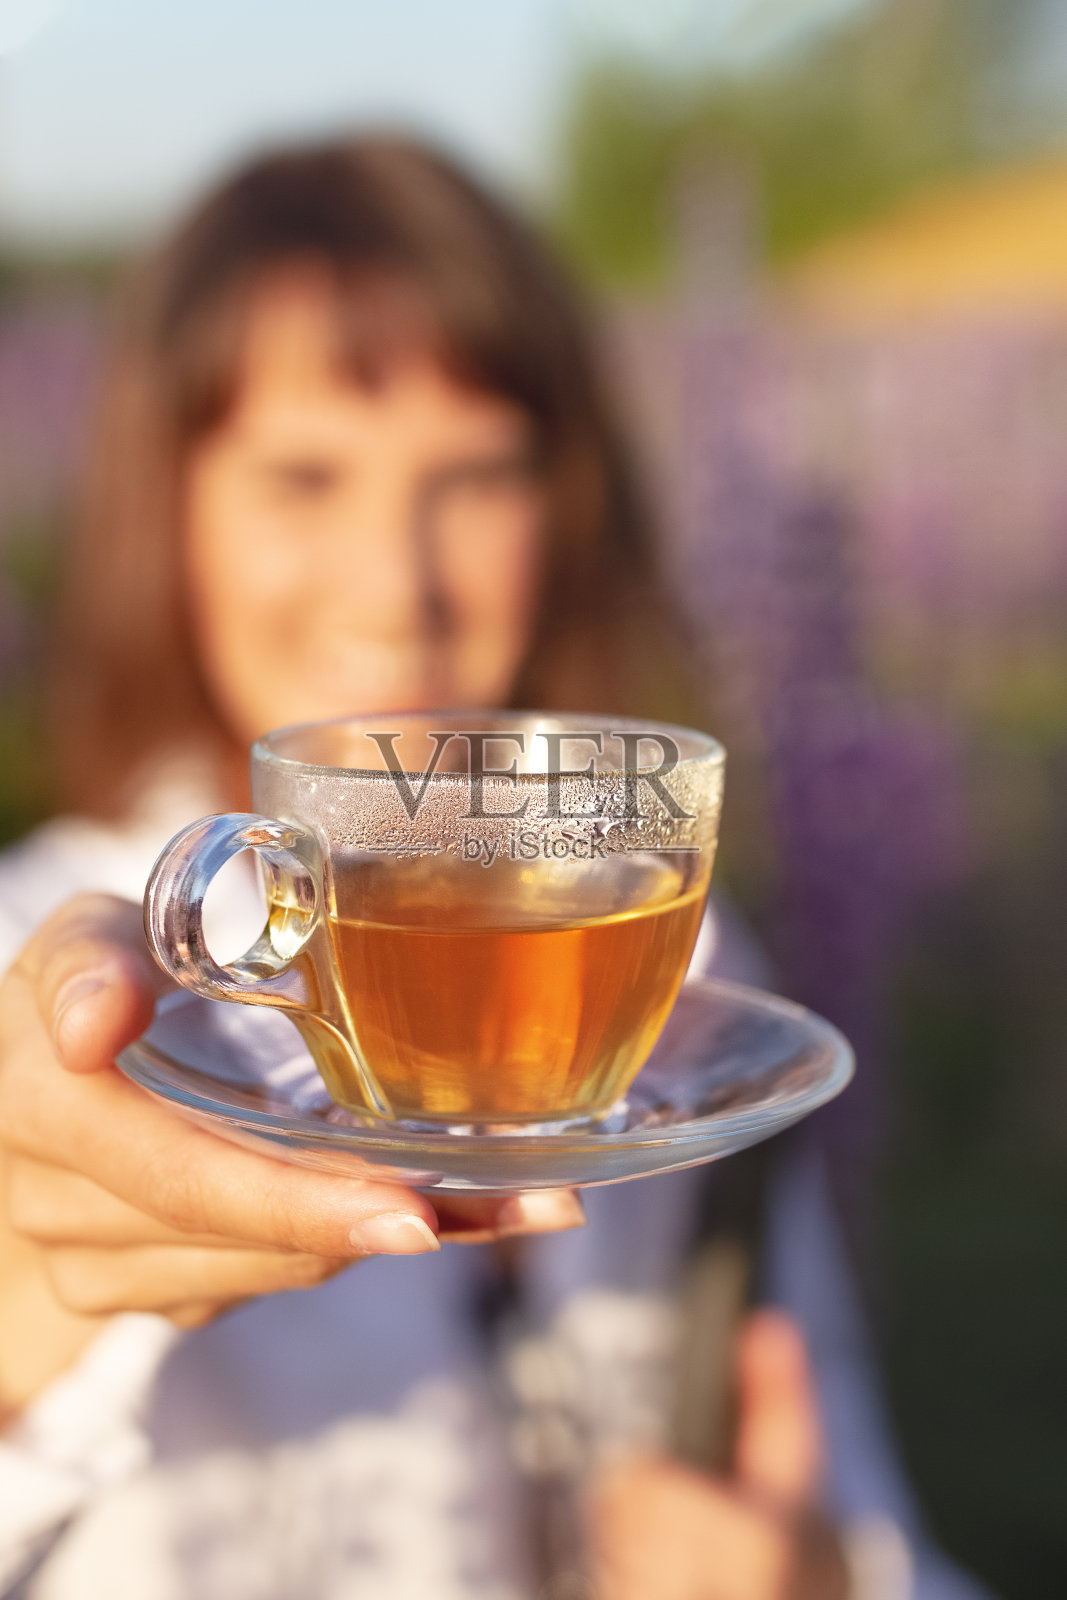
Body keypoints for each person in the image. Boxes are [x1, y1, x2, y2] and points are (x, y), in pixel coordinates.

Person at [0, 137, 989, 1600]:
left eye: (475, 479)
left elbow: (855, 1501)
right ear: (172, 515)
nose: (400, 580)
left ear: (568, 509)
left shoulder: (692, 984)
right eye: (305, 476)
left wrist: (819, 1580)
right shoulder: (52, 990)